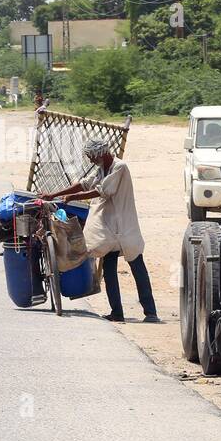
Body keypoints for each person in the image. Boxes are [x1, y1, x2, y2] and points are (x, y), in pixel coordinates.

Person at [40, 138, 159, 324]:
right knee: (109, 269)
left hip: (125, 226)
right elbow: (84, 184)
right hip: (110, 229)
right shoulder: (102, 168)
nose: (90, 160)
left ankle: (151, 312)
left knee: (137, 267)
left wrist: (72, 197)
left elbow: (102, 190)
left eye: (90, 156)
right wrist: (54, 195)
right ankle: (117, 312)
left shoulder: (120, 167)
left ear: (100, 153)